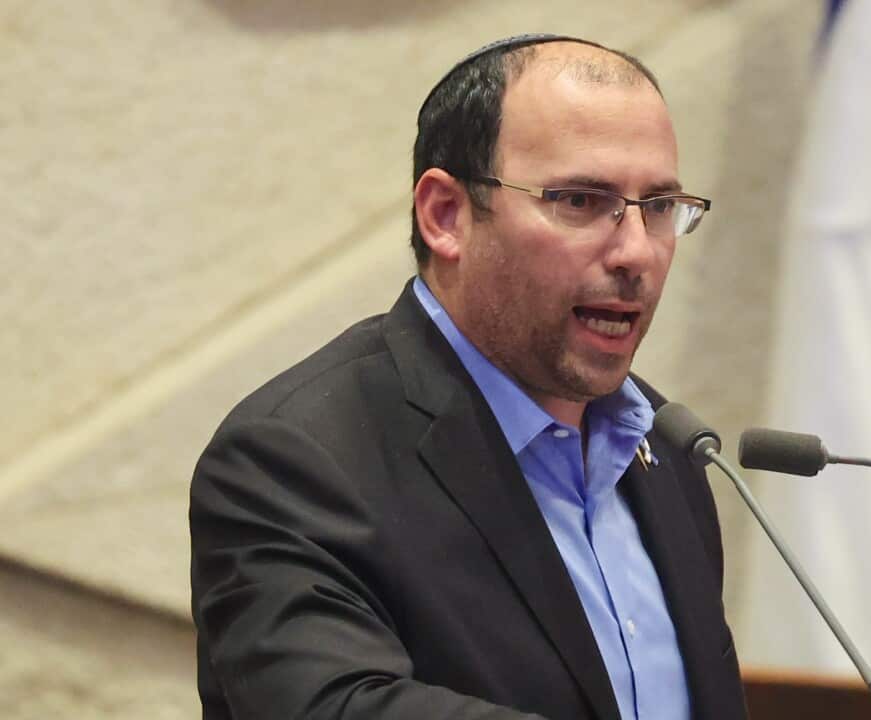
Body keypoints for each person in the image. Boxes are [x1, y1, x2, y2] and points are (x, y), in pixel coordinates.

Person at [189, 34, 748, 720]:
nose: (636, 252)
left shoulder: (669, 448)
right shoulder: (295, 458)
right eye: (579, 199)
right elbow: (335, 708)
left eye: (659, 206)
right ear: (446, 215)